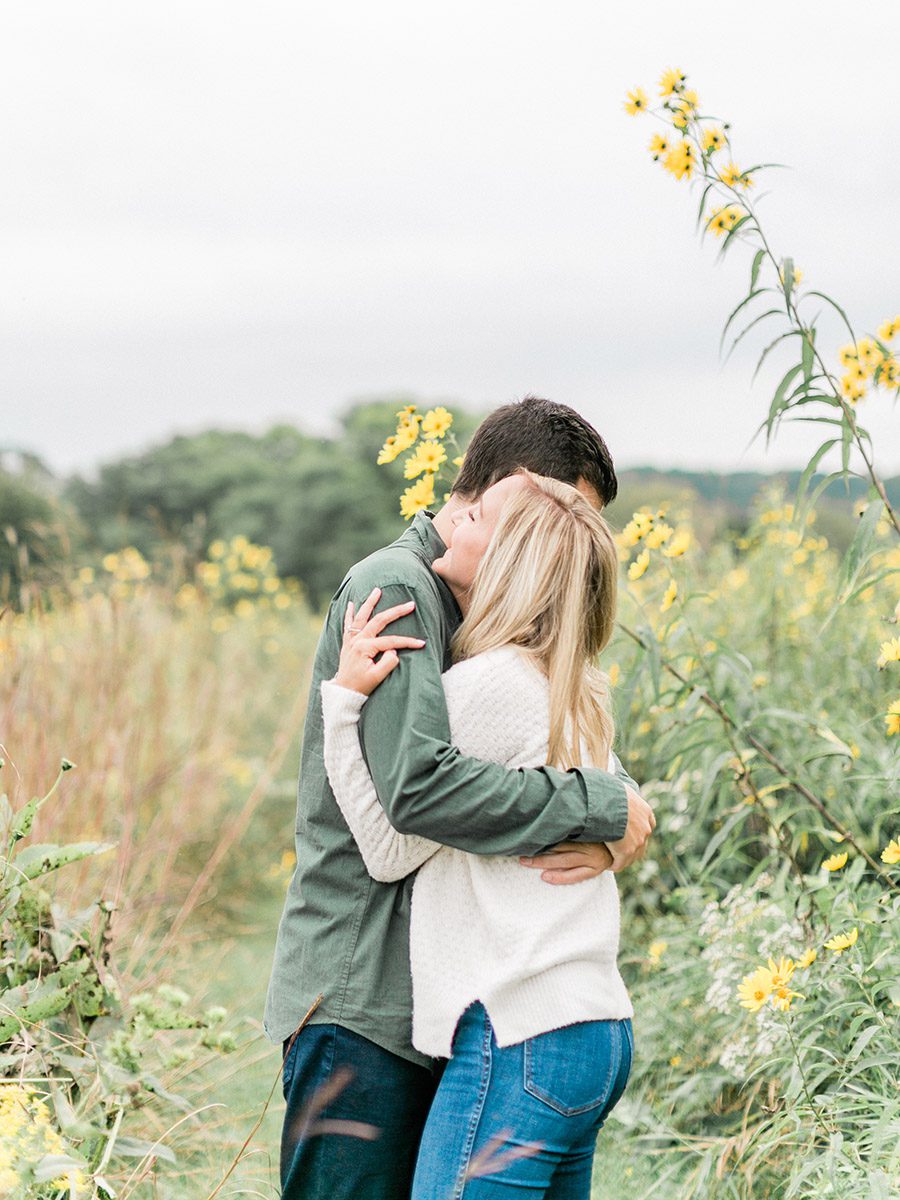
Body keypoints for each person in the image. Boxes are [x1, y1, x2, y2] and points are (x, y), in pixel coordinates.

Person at [263, 397, 656, 1199]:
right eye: (565, 510)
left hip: (450, 1004)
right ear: (516, 488)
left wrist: (621, 808)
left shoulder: (489, 624)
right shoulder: (398, 587)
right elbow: (421, 791)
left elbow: (552, 727)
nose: (565, 541)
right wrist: (603, 808)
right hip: (363, 994)